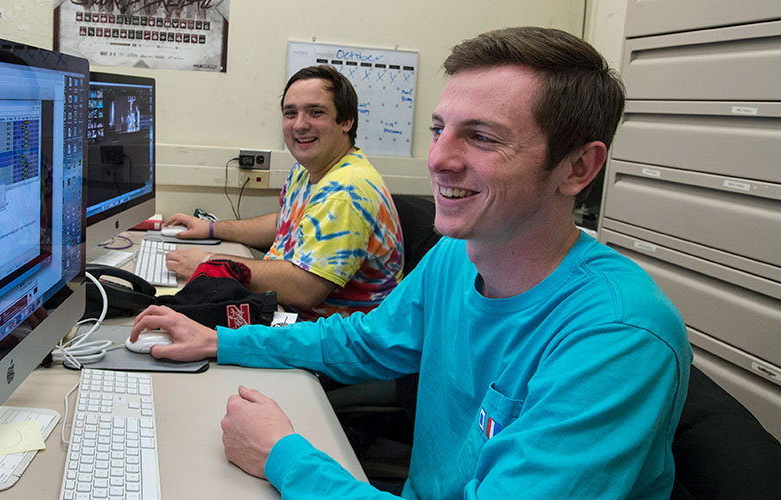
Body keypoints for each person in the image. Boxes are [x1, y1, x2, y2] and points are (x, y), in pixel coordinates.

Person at [131, 26, 692, 499]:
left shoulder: (616, 337)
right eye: (439, 129)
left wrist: (283, 456)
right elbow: (363, 342)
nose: (439, 159)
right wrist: (219, 342)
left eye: (482, 137)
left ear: (577, 169)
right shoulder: (456, 255)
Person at [161, 65, 404, 321]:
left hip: (334, 339)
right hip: (287, 313)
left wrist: (211, 263)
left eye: (315, 112)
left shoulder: (344, 190)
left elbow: (305, 288)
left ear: (346, 121)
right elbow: (283, 223)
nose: (299, 125)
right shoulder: (308, 169)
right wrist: (211, 229)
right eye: (290, 113)